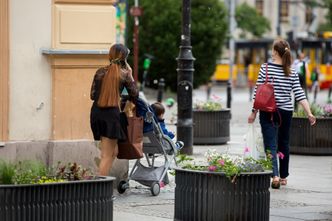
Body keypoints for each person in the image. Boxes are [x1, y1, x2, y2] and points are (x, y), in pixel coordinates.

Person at [248, 38, 316, 189]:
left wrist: (253, 112)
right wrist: (309, 113)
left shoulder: (265, 68)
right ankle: (284, 176)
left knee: (270, 144)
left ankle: (275, 175)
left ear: (274, 52)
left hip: (268, 111)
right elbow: (300, 94)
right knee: (284, 143)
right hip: (285, 112)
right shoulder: (291, 72)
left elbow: (258, 92)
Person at [90, 44, 138, 176]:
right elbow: (135, 94)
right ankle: (99, 189)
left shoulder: (100, 72)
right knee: (107, 155)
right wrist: (131, 75)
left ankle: (102, 185)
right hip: (111, 116)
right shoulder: (125, 75)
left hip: (96, 113)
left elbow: (92, 95)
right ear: (124, 58)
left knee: (114, 152)